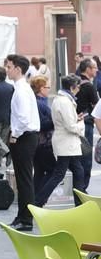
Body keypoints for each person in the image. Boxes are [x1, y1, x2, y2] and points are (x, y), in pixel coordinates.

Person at [35, 75, 86, 207]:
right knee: (59, 174)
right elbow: (70, 126)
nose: (79, 89)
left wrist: (76, 119)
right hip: (66, 143)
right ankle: (38, 201)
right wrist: (81, 124)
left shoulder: (62, 99)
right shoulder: (64, 101)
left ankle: (79, 203)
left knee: (77, 171)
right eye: (78, 86)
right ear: (72, 87)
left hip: (66, 143)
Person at [6, 54, 40, 231]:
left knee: (24, 179)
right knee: (22, 178)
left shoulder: (21, 90)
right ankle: (22, 215)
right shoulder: (21, 88)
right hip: (25, 136)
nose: (7, 70)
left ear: (18, 69)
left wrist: (15, 135)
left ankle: (26, 219)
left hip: (24, 137)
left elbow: (24, 119)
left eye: (9, 66)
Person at [75, 58, 99, 192]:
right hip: (87, 125)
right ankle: (83, 188)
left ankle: (77, 187)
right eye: (94, 67)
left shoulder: (75, 82)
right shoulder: (89, 86)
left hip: (75, 123)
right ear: (88, 69)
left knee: (77, 157)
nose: (97, 70)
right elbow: (97, 108)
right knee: (86, 158)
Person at [31, 75, 55, 196]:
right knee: (53, 171)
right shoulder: (39, 103)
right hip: (43, 143)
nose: (49, 89)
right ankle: (40, 197)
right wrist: (56, 120)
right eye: (47, 87)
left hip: (39, 143)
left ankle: (35, 197)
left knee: (39, 172)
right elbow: (41, 124)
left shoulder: (39, 102)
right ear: (40, 88)